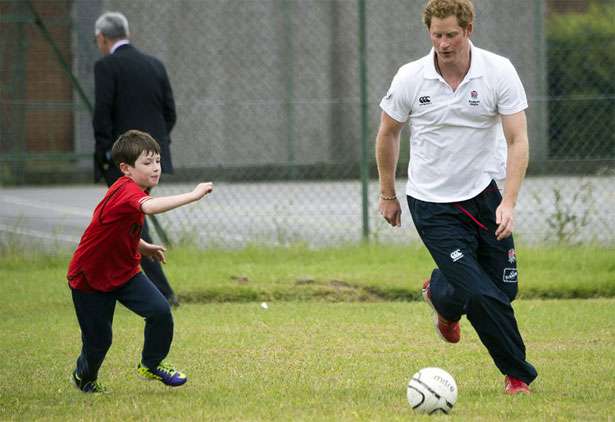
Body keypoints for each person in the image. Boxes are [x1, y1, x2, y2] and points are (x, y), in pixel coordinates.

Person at [375, 0, 538, 395]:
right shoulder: (411, 77)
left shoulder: (498, 71)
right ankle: (518, 375)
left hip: (485, 197)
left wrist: (509, 202)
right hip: (432, 204)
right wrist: (387, 194)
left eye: (451, 34)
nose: (443, 43)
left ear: (468, 30)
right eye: (436, 35)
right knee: (481, 294)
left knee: (503, 288)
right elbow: (388, 133)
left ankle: (442, 295)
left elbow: (518, 140)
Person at [68, 130, 213, 393]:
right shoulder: (126, 191)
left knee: (159, 312)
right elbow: (150, 207)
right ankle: (84, 376)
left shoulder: (134, 190)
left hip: (124, 272)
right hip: (90, 277)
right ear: (126, 168)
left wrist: (143, 247)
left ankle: (152, 363)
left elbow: (117, 230)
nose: (156, 168)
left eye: (157, 160)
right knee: (99, 340)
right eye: (147, 163)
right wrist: (193, 195)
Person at [93, 11, 179, 306]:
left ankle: (162, 292)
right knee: (128, 221)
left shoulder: (107, 66)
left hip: (124, 164)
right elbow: (170, 114)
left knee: (130, 222)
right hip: (152, 160)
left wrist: (109, 155)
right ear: (127, 32)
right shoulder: (154, 65)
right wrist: (152, 155)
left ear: (102, 38)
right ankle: (112, 282)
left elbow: (102, 115)